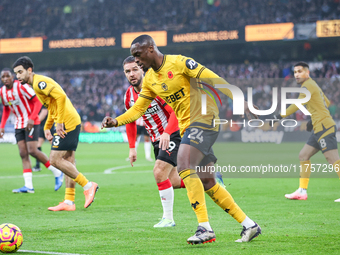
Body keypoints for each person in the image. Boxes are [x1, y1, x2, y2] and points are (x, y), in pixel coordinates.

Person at [102, 35, 261, 244]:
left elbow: (213, 78)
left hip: (205, 118)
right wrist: (115, 121)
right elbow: (137, 110)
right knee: (208, 181)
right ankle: (249, 225)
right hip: (188, 128)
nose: (137, 61)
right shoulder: (150, 80)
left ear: (150, 49)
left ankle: (204, 228)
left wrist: (241, 101)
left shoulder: (180, 62)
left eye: (138, 55)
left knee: (184, 163)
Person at [12, 56, 99, 209]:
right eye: (16, 73)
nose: (17, 76)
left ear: (29, 70)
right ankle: (69, 201)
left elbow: (61, 97)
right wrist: (48, 126)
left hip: (67, 123)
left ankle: (88, 185)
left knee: (54, 160)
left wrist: (59, 123)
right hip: (68, 120)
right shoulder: (36, 85)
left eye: (20, 72)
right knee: (68, 161)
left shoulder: (39, 83)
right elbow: (52, 105)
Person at [121, 56, 185, 226]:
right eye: (128, 71)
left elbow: (175, 112)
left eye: (135, 69)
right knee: (172, 181)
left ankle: (168, 219)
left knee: (158, 172)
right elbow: (131, 120)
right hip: (157, 140)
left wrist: (167, 132)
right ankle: (208, 178)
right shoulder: (129, 95)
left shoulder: (156, 88)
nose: (131, 74)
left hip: (172, 133)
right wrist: (132, 148)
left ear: (142, 69)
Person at [280, 62, 340, 201]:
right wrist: (313, 119)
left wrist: (279, 115)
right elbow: (326, 102)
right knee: (303, 155)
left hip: (324, 126)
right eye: (295, 72)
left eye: (300, 71)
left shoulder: (307, 86)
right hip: (318, 126)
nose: (297, 74)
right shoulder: (313, 85)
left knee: (333, 159)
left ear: (307, 73)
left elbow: (297, 104)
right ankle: (302, 191)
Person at [0, 68, 64, 193]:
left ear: (12, 77)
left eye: (8, 76)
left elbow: (37, 102)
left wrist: (32, 118)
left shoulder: (21, 87)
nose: (6, 79)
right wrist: (2, 126)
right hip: (18, 125)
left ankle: (57, 172)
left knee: (33, 151)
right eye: (3, 77)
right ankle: (28, 186)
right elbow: (7, 109)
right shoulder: (2, 92)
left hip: (31, 123)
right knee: (23, 153)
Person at [32, 106, 49, 172]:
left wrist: (34, 122)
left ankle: (67, 160)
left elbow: (44, 112)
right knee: (38, 145)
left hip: (48, 124)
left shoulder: (42, 98)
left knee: (55, 145)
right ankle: (38, 166)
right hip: (41, 126)